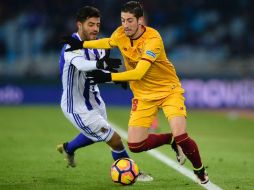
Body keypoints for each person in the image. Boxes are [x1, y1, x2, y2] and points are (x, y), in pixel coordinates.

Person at [61, 1, 209, 184]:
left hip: (168, 91)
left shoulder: (153, 40)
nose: (125, 25)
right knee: (135, 145)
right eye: (123, 20)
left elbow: (139, 73)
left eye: (130, 20)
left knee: (181, 134)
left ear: (140, 21)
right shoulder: (121, 33)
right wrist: (81, 44)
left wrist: (109, 78)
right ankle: (170, 140)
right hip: (143, 96)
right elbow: (108, 42)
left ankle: (200, 171)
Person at [57, 5, 153, 182]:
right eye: (90, 24)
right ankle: (132, 172)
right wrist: (101, 65)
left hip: (95, 100)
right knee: (114, 139)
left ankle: (68, 148)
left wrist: (117, 79)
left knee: (95, 135)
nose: (95, 29)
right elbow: (82, 65)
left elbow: (98, 75)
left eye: (97, 25)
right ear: (80, 25)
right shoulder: (71, 46)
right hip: (77, 106)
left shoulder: (98, 46)